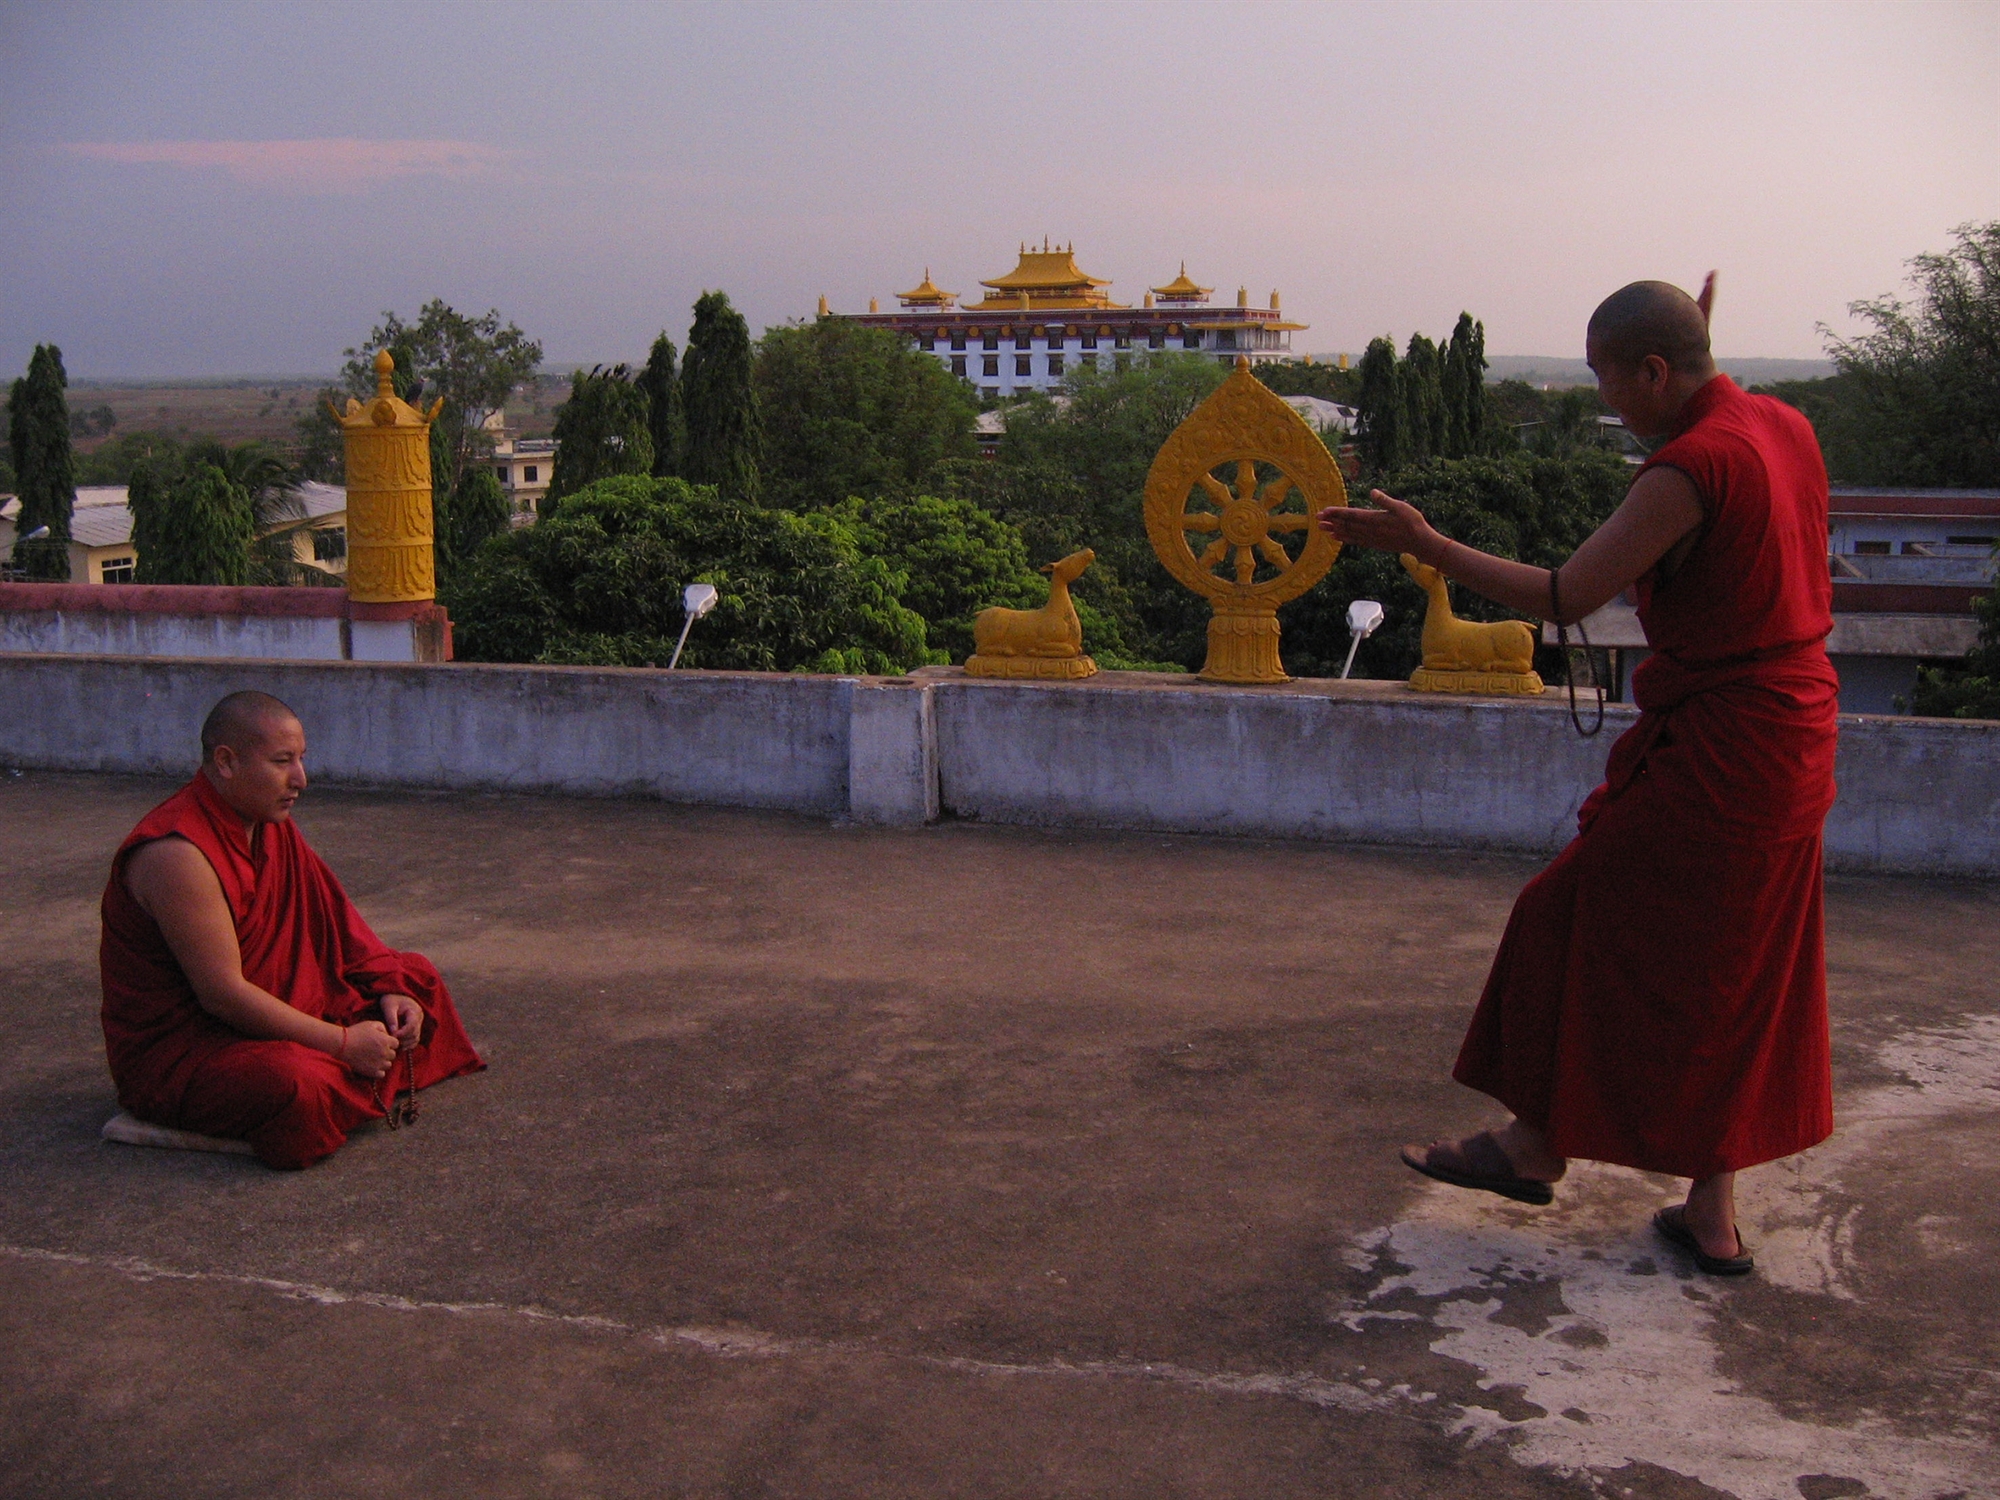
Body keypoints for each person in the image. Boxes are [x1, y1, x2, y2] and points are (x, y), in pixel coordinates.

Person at [1317, 275, 1839, 1276]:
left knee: (1563, 909)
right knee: (1739, 967)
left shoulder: (1685, 471)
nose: (1602, 401)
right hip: (1792, 734)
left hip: (1728, 746)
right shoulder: (1781, 424)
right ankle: (1709, 1211)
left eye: (1610, 381)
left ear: (1653, 371)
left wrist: (1424, 544)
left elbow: (1564, 597)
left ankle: (1531, 1143)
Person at [101, 690, 484, 1169]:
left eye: (301, 760)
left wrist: (388, 990)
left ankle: (355, 1066)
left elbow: (340, 933)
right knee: (297, 1085)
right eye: (282, 762)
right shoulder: (177, 855)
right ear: (226, 761)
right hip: (192, 1050)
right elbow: (222, 995)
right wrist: (344, 1045)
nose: (300, 779)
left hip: (277, 1011)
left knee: (417, 981)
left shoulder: (267, 822)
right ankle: (343, 1078)